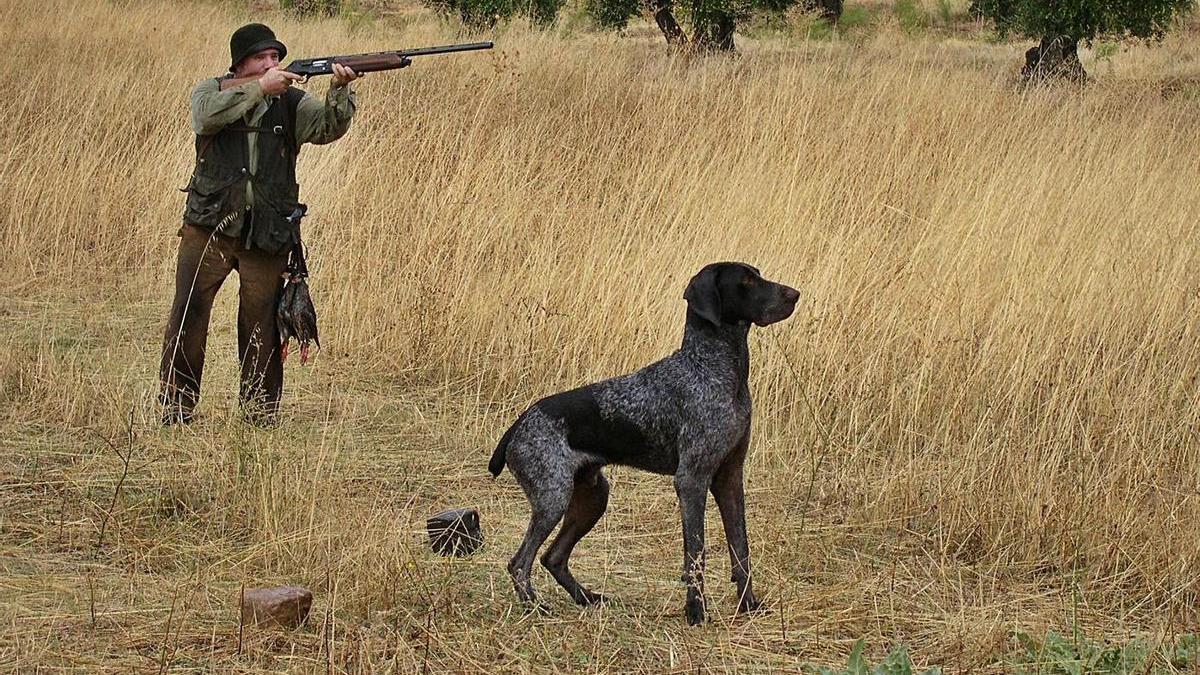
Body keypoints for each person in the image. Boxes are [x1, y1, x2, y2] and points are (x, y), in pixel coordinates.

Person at [160, 23, 361, 426]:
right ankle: (176, 409)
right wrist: (259, 89)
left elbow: (326, 127)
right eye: (261, 58)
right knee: (189, 314)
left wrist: (339, 91)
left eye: (276, 58)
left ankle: (258, 415)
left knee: (262, 325)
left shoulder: (291, 102)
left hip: (267, 230)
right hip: (210, 225)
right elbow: (204, 118)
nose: (272, 65)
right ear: (240, 64)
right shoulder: (210, 91)